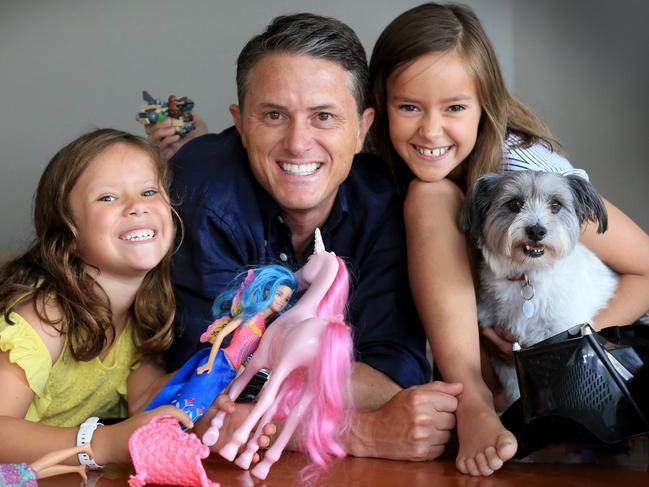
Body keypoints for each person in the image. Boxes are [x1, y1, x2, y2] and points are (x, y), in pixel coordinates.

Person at [145, 13, 463, 460]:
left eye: (324, 117)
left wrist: (268, 389)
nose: (298, 143)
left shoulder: (387, 201)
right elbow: (207, 392)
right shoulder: (198, 193)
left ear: (362, 128)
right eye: (274, 115)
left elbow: (393, 376)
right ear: (240, 123)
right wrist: (358, 432)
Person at [368, 2, 649, 476]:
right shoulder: (383, 169)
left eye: (455, 107)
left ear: (485, 106)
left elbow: (645, 265)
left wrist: (569, 344)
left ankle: (477, 402)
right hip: (507, 344)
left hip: (601, 347)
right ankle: (480, 400)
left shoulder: (532, 176)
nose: (431, 129)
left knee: (430, 194)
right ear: (379, 106)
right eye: (409, 107)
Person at [0, 129, 192, 468]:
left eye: (149, 191)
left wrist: (211, 414)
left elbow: (147, 402)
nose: (137, 207)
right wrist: (100, 444)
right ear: (68, 234)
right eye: (108, 197)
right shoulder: (45, 318)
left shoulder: (139, 316)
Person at [146, 265, 298, 423]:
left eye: (286, 299)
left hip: (230, 371)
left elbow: (246, 359)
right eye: (279, 294)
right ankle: (165, 426)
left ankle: (174, 430)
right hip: (220, 361)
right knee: (193, 398)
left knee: (206, 405)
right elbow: (221, 335)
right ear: (267, 291)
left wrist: (233, 383)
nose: (282, 301)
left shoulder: (263, 327)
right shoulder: (249, 315)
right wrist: (210, 363)